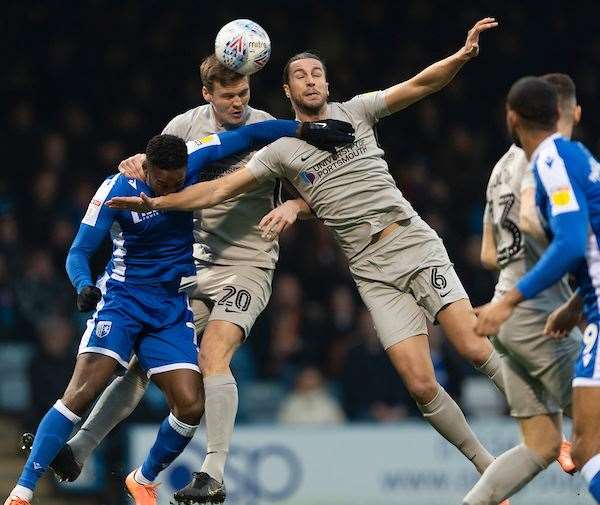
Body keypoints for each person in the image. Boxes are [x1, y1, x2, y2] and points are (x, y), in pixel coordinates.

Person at [108, 19, 514, 498]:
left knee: (469, 344)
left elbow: (419, 86)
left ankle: (553, 418)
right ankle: (493, 474)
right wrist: (156, 202)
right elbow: (217, 188)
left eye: (317, 73)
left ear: (328, 82)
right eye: (300, 75)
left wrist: (462, 55)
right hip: (367, 269)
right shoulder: (280, 150)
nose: (311, 80)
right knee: (421, 385)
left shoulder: (357, 112)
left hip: (411, 243)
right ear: (285, 88)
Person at [7, 120, 353, 505]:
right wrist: (82, 285)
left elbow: (250, 135)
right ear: (147, 169)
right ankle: (23, 490)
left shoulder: (194, 157)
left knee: (190, 405)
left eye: (178, 183)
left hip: (171, 306)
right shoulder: (118, 187)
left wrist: (307, 130)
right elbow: (79, 250)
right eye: (163, 184)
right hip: (122, 300)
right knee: (81, 392)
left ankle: (143, 479)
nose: (172, 191)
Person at [472, 76, 600, 505]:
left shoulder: (499, 167)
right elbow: (538, 224)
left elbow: (489, 254)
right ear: (568, 113)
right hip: (533, 313)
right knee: (589, 438)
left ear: (513, 117)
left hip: (510, 315)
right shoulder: (545, 161)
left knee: (542, 445)